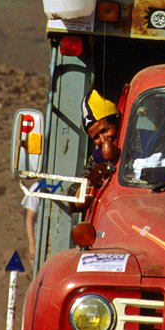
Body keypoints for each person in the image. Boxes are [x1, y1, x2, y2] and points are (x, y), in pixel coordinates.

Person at [22, 90, 120, 266]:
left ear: (116, 122)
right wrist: (91, 181)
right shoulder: (96, 158)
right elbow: (76, 201)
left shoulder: (146, 143)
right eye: (95, 137)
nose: (102, 139)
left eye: (105, 130)